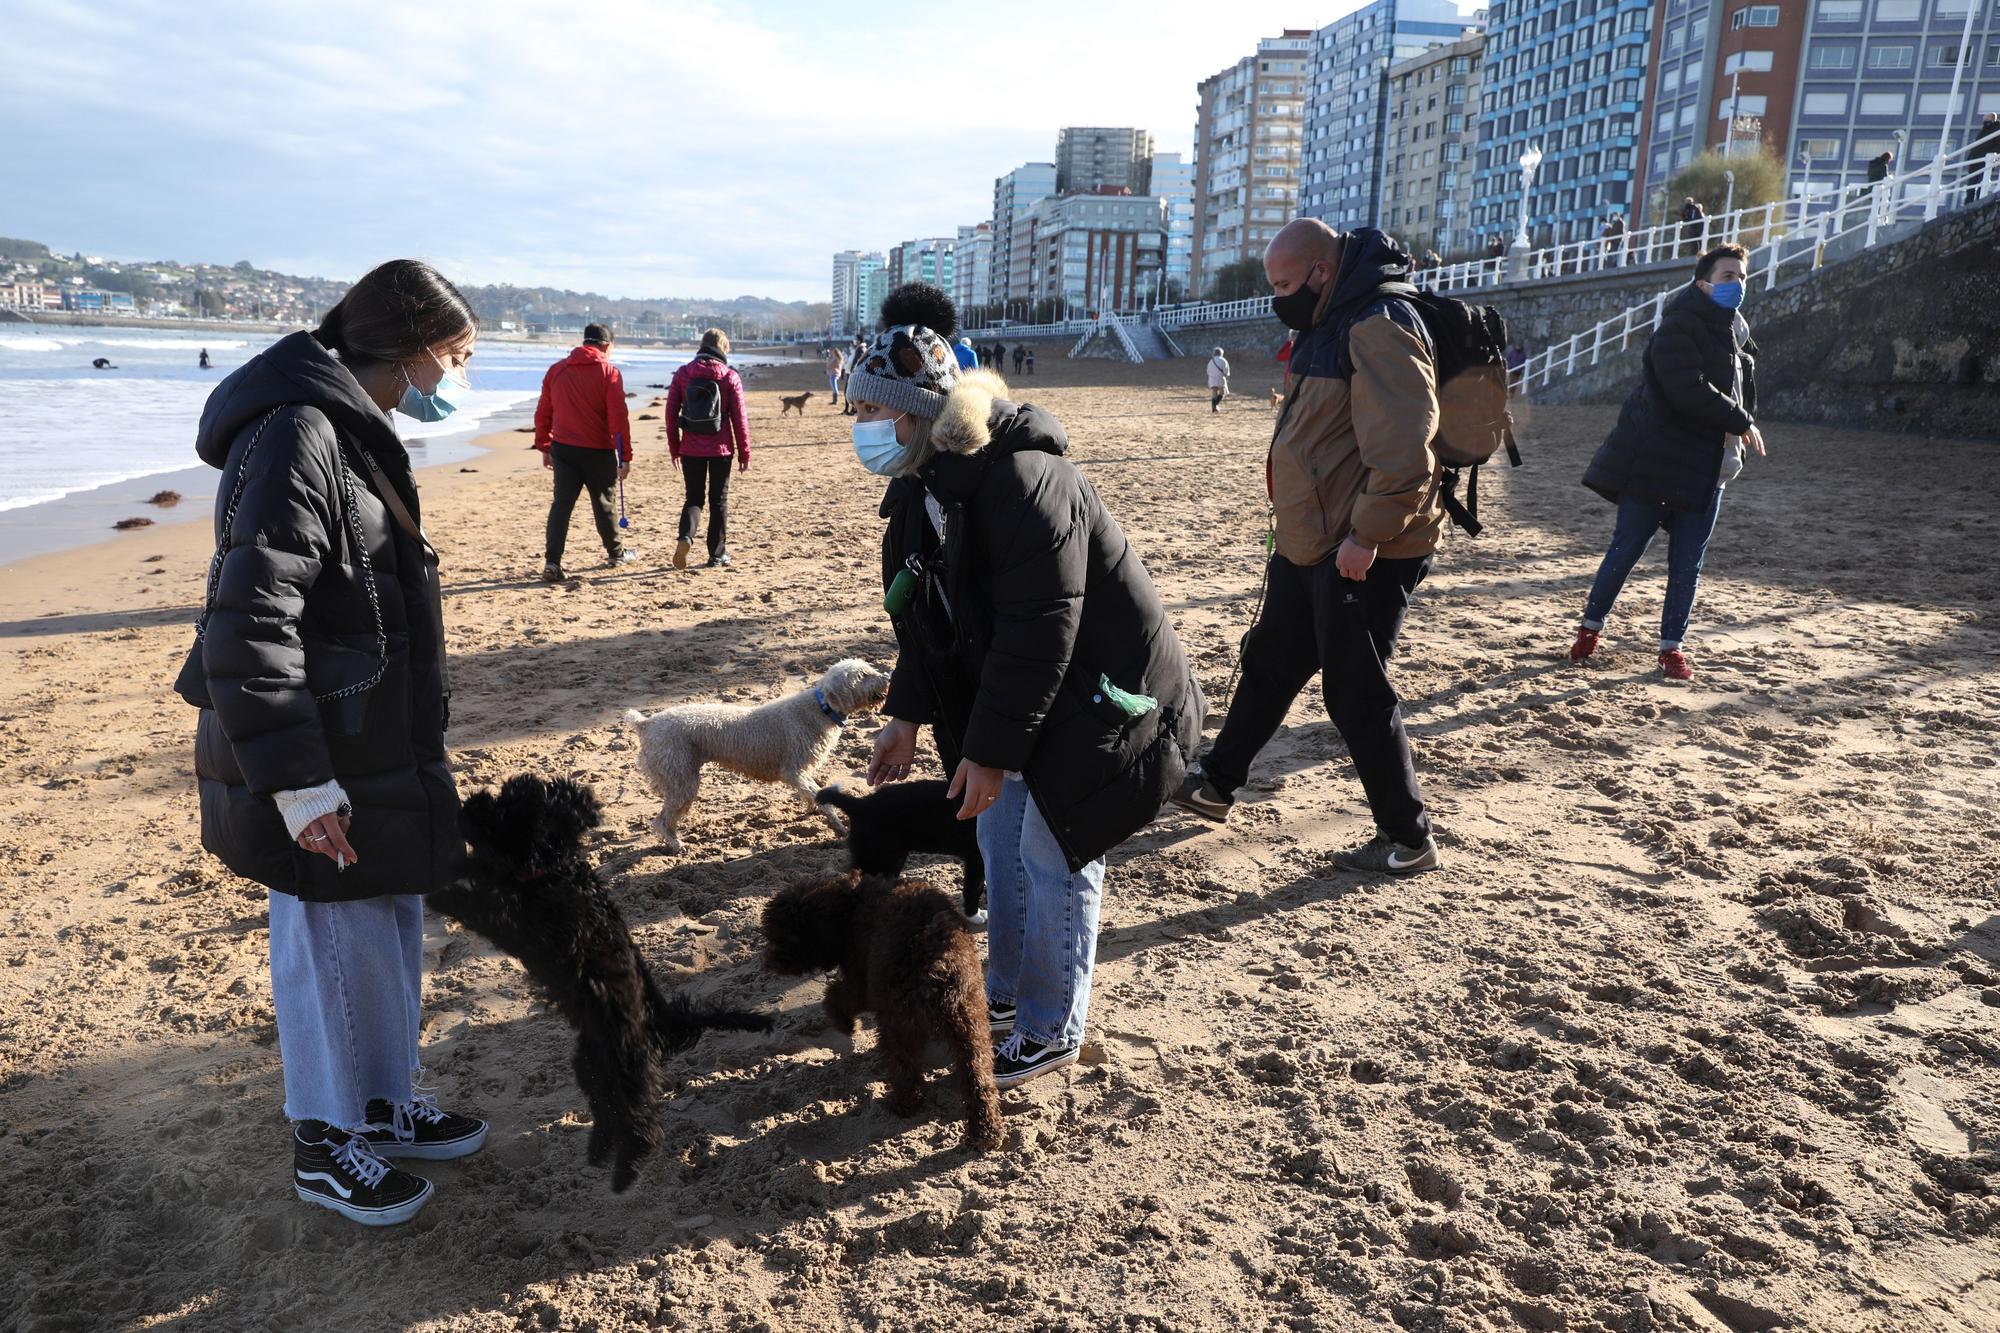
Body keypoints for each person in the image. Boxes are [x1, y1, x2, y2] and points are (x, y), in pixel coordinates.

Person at [181, 259, 486, 1227]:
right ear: (410, 347)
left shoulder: (348, 423)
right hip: (321, 745)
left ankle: (385, 1103)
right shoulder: (297, 432)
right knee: (325, 932)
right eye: (458, 356)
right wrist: (300, 785)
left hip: (370, 733)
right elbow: (248, 621)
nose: (459, 376)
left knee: (387, 920)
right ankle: (325, 1139)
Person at [854, 283, 1204, 1088]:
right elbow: (932, 617)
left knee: (1053, 852)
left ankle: (1051, 1026)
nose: (860, 431)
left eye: (870, 413)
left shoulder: (1023, 480)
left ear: (916, 410)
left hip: (1102, 696)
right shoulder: (923, 484)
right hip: (1023, 695)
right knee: (996, 840)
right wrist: (907, 714)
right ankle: (1006, 994)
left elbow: (1042, 629)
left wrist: (991, 749)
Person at [1169, 219, 1444, 876]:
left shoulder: (1379, 322)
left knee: (1354, 690)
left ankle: (1408, 836)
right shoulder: (1326, 319)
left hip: (1363, 547)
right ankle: (1218, 781)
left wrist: (1365, 536)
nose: (1278, 297)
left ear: (1322, 271)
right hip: (1310, 540)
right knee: (1271, 658)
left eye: (1285, 283)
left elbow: (1407, 450)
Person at [1571, 243, 1763, 682]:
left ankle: (1671, 649)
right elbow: (1687, 388)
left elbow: (1739, 397)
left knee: (1687, 564)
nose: (1737, 284)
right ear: (1704, 283)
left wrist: (1742, 425)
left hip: (1709, 469)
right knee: (1626, 549)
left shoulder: (1737, 337)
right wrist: (1740, 419)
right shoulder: (1677, 327)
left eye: (1743, 277)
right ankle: (1589, 629)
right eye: (1728, 276)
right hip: (1658, 463)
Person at [534, 323, 633, 581]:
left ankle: (552, 562)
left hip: (564, 449)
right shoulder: (609, 372)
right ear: (607, 346)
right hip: (598, 451)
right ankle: (615, 554)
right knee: (604, 503)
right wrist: (625, 456)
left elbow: (544, 411)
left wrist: (544, 445)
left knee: (562, 505)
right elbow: (618, 419)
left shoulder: (557, 370)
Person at [664, 327, 751, 569]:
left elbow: (670, 415)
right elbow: (740, 419)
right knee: (718, 501)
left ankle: (685, 537)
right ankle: (716, 554)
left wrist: (675, 448)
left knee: (693, 498)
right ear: (724, 348)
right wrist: (745, 453)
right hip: (721, 449)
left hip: (691, 448)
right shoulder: (729, 376)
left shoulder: (683, 373)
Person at [1206, 346, 1230, 411]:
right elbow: (1226, 372)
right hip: (1220, 379)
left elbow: (1208, 371)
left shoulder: (1211, 361)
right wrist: (1226, 375)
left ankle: (1214, 407)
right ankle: (1215, 405)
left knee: (1214, 392)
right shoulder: (1223, 360)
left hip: (1212, 379)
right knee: (1222, 392)